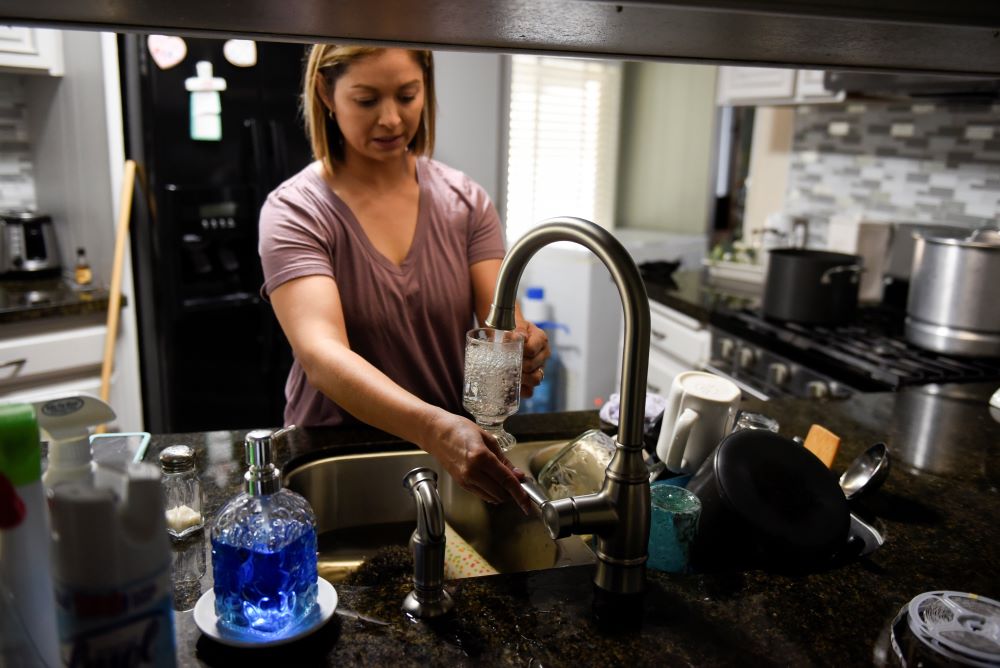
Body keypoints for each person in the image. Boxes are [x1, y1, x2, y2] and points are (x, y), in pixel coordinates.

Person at [258, 45, 549, 513]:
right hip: (338, 454)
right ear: (326, 93)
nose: (392, 119)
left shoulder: (466, 201)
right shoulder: (295, 210)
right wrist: (435, 428)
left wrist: (522, 348)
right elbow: (321, 355)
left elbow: (501, 322)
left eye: (407, 95)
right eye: (368, 100)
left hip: (451, 454)